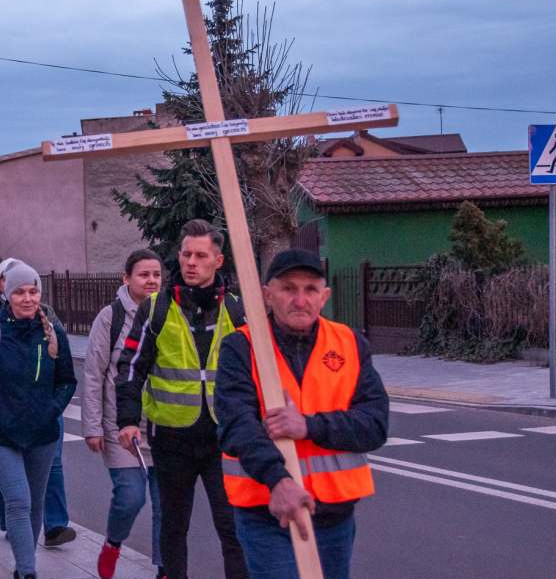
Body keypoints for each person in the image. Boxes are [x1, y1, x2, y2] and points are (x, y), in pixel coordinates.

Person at [216, 249, 389, 579]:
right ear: (267, 295)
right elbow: (237, 425)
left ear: (324, 296)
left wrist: (308, 426)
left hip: (334, 516)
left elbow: (375, 424)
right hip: (269, 512)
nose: (300, 300)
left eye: (310, 289)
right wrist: (278, 481)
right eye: (288, 288)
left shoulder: (349, 343)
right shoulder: (242, 347)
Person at [114, 219, 248, 579]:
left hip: (226, 439)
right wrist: (127, 420)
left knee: (234, 529)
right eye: (186, 254)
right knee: (174, 529)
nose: (191, 262)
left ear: (218, 261)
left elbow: (260, 371)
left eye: (200, 255)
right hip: (172, 438)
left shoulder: (236, 310)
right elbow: (130, 366)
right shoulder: (156, 309)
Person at [0, 263, 76, 579]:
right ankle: (27, 571)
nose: (27, 298)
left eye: (33, 291)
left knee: (36, 503)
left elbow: (67, 381)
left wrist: (50, 410)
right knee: (18, 500)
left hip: (42, 435)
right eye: (19, 292)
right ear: (6, 294)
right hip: (2, 437)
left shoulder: (52, 333)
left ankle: (24, 565)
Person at [82, 248, 166, 579]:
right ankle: (113, 543)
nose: (151, 280)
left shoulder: (169, 315)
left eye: (156, 274)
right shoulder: (111, 317)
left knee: (167, 507)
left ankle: (164, 568)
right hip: (121, 427)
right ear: (126, 278)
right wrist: (92, 426)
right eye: (143, 274)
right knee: (131, 496)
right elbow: (93, 373)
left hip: (164, 425)